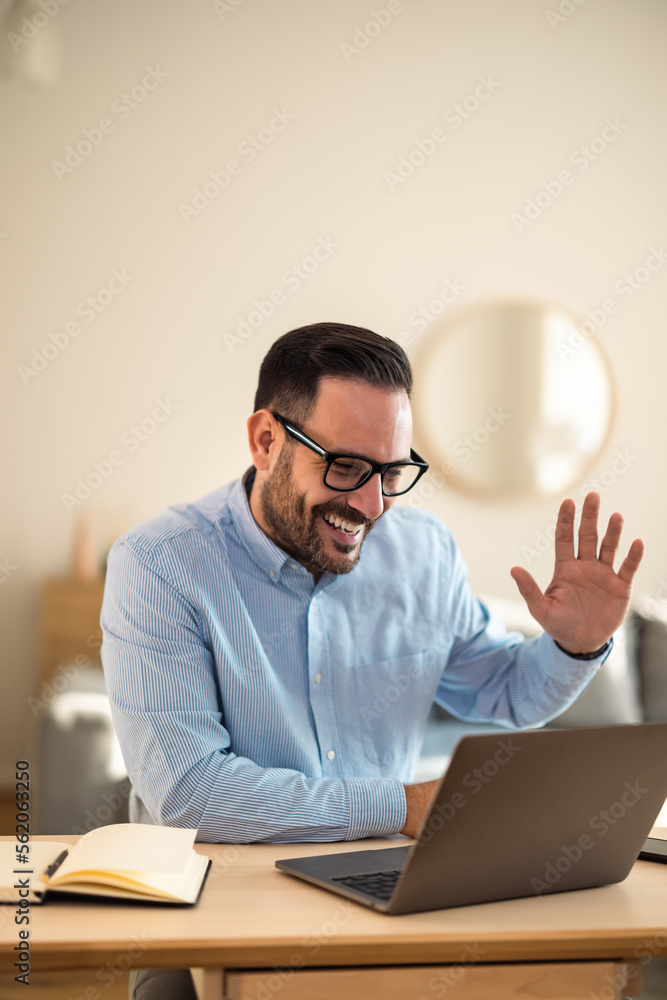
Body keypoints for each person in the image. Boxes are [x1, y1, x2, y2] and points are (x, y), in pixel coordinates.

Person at [100, 322, 644, 999]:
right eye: (347, 467)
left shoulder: (423, 550)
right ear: (266, 439)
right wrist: (403, 806)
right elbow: (190, 796)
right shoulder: (159, 564)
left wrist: (575, 644)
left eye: (390, 472)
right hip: (210, 900)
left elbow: (503, 693)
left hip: (379, 889)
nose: (370, 505)